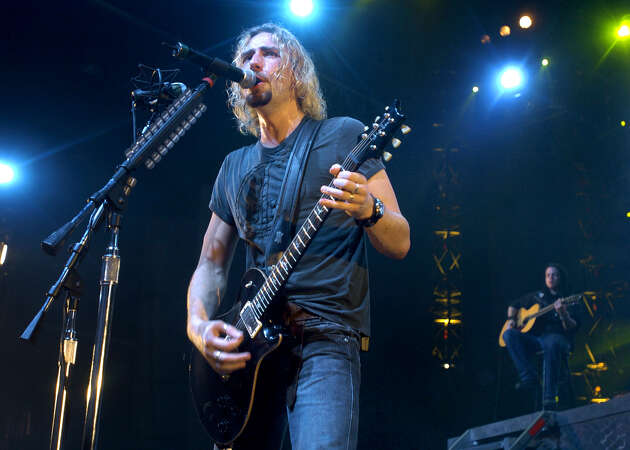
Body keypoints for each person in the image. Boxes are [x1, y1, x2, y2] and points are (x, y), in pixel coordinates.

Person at [186, 23, 410, 449]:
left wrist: (369, 209)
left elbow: (400, 240)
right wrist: (198, 326)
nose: (252, 63)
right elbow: (211, 264)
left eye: (267, 53)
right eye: (245, 57)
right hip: (251, 351)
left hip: (324, 338)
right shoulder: (233, 166)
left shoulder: (343, 136)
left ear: (296, 71)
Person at [503, 263, 578, 410]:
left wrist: (563, 313)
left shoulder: (567, 299)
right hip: (537, 340)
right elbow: (513, 304)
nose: (550, 278)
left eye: (554, 275)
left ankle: (549, 399)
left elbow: (572, 327)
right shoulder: (537, 297)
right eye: (548, 275)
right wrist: (512, 319)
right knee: (509, 335)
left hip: (559, 338)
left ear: (560, 278)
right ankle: (528, 377)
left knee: (551, 342)